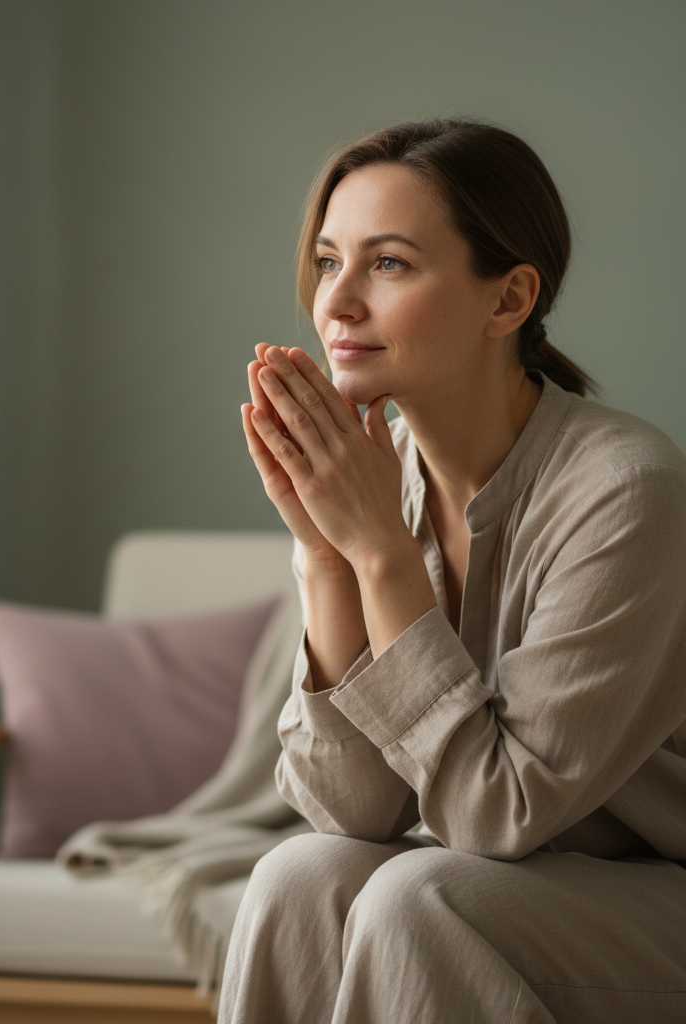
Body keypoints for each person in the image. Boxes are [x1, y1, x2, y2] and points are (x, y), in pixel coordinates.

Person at [220, 119, 686, 1023]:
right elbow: (348, 809)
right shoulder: (373, 479)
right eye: (327, 262)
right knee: (296, 874)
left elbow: (495, 815)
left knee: (420, 899)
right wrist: (326, 555)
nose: (338, 303)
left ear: (508, 299)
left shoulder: (627, 490)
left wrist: (381, 559)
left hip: (654, 896)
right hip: (524, 883)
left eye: (387, 264)